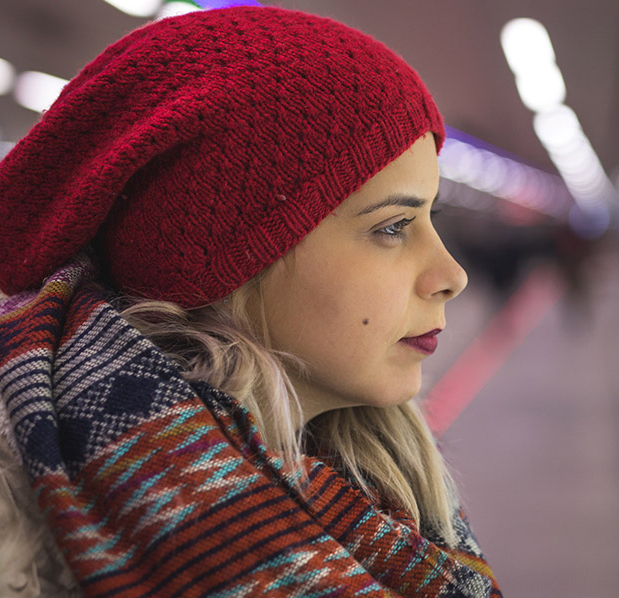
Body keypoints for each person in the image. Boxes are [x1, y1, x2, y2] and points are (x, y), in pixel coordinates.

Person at [0, 6, 501, 597]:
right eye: (392, 227)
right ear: (227, 258)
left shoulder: (387, 496)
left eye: (431, 218)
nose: (451, 275)